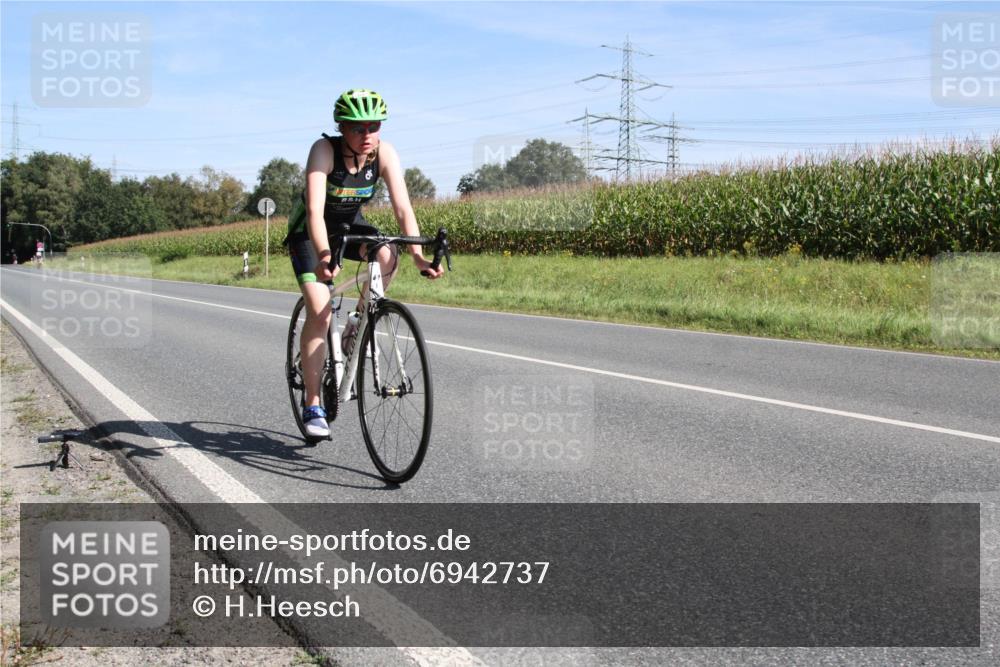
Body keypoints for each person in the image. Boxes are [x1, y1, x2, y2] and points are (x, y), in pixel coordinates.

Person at [285, 89, 443, 439]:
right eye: (358, 128)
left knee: (387, 252)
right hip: (309, 233)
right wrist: (325, 256)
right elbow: (313, 211)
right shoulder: (323, 151)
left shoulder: (383, 153)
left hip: (348, 227)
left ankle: (355, 325)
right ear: (341, 127)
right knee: (321, 309)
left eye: (374, 126)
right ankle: (313, 403)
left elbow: (403, 209)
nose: (367, 135)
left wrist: (418, 256)